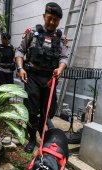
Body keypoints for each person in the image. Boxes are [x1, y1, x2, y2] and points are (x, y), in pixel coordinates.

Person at [15, 2, 69, 153]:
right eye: (49, 18)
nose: (52, 22)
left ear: (59, 21)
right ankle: (32, 139)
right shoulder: (32, 33)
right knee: (32, 110)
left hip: (50, 80)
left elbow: (64, 58)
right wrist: (20, 68)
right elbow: (19, 52)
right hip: (32, 77)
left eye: (55, 20)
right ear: (44, 16)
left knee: (48, 111)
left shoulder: (61, 39)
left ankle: (43, 134)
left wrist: (60, 67)